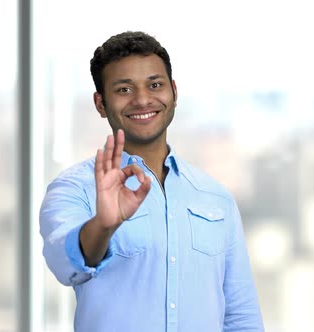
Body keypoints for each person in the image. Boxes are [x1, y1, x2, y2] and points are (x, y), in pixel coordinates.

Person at [40, 31, 264, 332]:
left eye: (155, 85)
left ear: (173, 91)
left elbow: (240, 317)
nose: (143, 99)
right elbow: (64, 263)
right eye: (123, 89)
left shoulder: (215, 198)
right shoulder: (73, 188)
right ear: (100, 103)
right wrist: (104, 225)